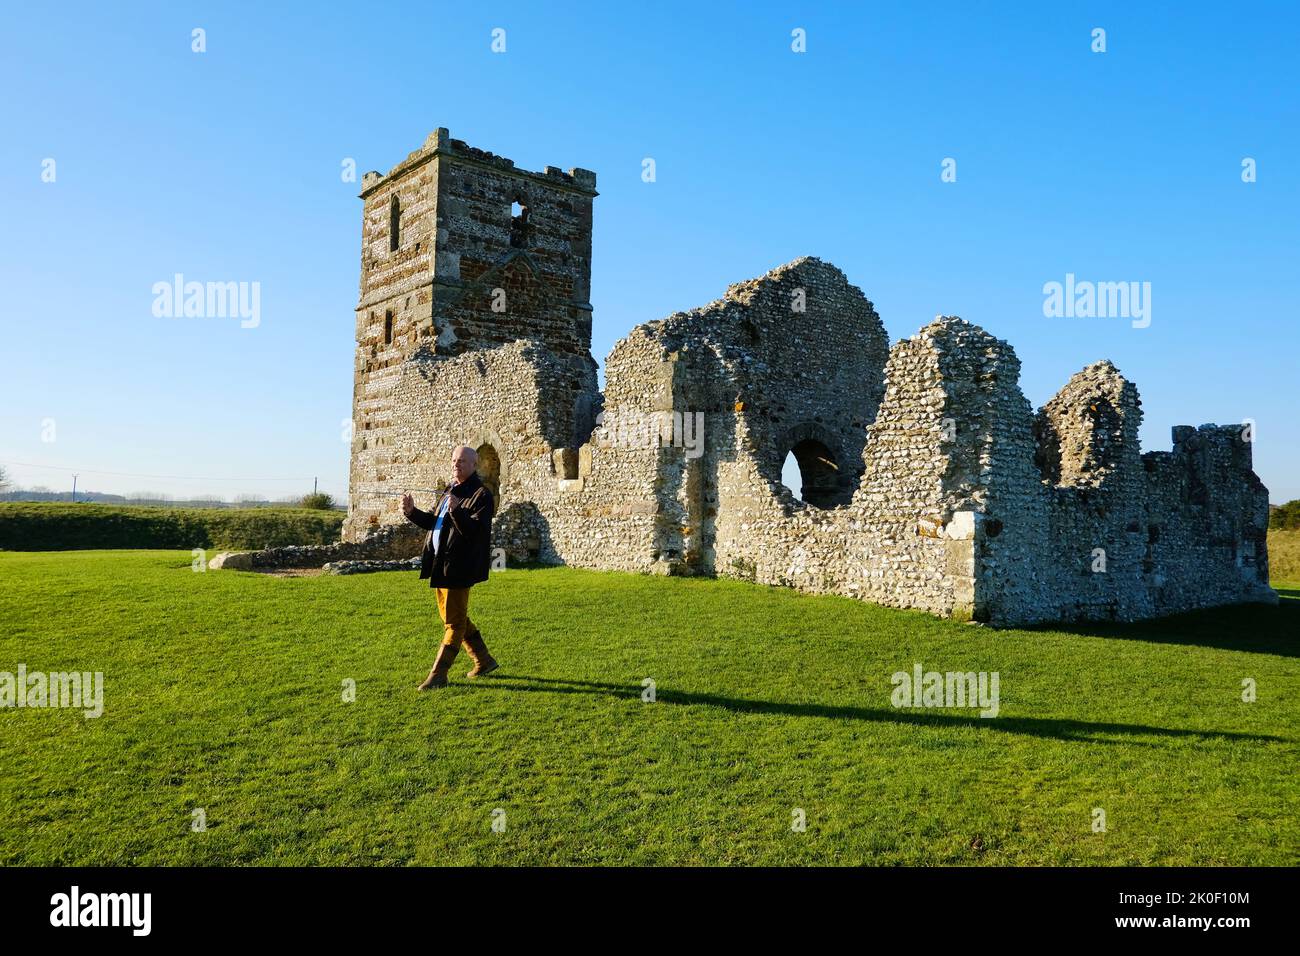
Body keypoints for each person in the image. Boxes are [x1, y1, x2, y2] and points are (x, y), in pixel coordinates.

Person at [401, 445, 499, 689]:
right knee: (454, 617)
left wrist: (456, 511)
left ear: (474, 465)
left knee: (454, 624)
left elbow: (476, 532)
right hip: (440, 564)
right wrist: (412, 513)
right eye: (454, 460)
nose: (457, 464)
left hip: (460, 566)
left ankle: (438, 675)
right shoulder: (449, 490)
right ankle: (484, 660)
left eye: (463, 461)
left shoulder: (481, 495)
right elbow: (436, 524)